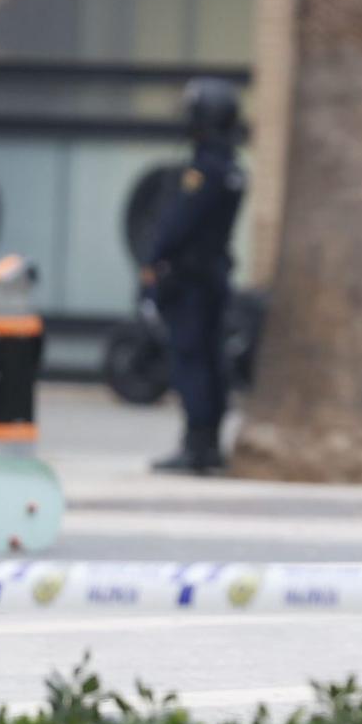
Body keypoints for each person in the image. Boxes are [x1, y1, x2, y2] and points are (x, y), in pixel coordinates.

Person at [142, 78, 247, 474]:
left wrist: (153, 259)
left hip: (191, 282)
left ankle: (196, 447)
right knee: (211, 361)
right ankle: (207, 445)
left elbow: (177, 224)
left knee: (192, 360)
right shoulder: (232, 168)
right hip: (214, 276)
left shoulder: (206, 170)